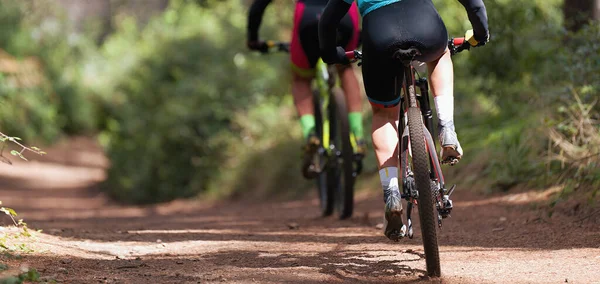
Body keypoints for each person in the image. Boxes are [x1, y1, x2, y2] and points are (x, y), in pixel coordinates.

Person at [318, 0, 489, 240]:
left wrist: (330, 53)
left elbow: (329, 18)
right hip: (424, 24)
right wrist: (480, 32)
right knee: (441, 54)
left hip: (379, 34)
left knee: (383, 114)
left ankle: (391, 194)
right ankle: (447, 129)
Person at [247, 0, 366, 178]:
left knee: (301, 79)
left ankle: (310, 133)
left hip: (307, 19)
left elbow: (258, 6)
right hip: (344, 17)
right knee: (345, 69)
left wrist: (253, 38)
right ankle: (357, 136)